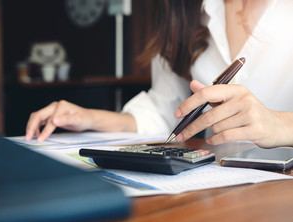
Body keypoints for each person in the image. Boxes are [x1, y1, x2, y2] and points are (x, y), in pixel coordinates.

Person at [25, 0, 293, 148]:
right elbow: (168, 111)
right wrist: (90, 118)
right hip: (221, 187)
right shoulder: (183, 10)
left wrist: (282, 125)